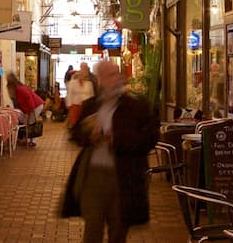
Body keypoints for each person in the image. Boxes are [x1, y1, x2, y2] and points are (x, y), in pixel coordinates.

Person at [61, 60, 159, 243]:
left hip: (123, 177)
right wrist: (88, 133)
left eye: (116, 74)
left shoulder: (136, 107)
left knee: (118, 231)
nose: (115, 79)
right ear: (99, 80)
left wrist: (116, 139)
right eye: (109, 75)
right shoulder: (90, 106)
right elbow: (75, 135)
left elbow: (150, 139)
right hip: (93, 177)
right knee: (92, 231)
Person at [6, 72, 44, 147]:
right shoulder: (17, 90)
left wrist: (30, 113)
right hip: (32, 106)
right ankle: (27, 139)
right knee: (27, 121)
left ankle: (31, 141)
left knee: (31, 122)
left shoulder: (20, 89)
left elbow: (29, 100)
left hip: (36, 106)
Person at [65, 64, 95, 128]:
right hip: (75, 105)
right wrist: (69, 105)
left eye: (84, 74)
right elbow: (69, 94)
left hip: (86, 106)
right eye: (81, 74)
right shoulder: (72, 83)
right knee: (75, 123)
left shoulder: (89, 84)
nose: (82, 76)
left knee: (85, 123)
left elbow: (92, 95)